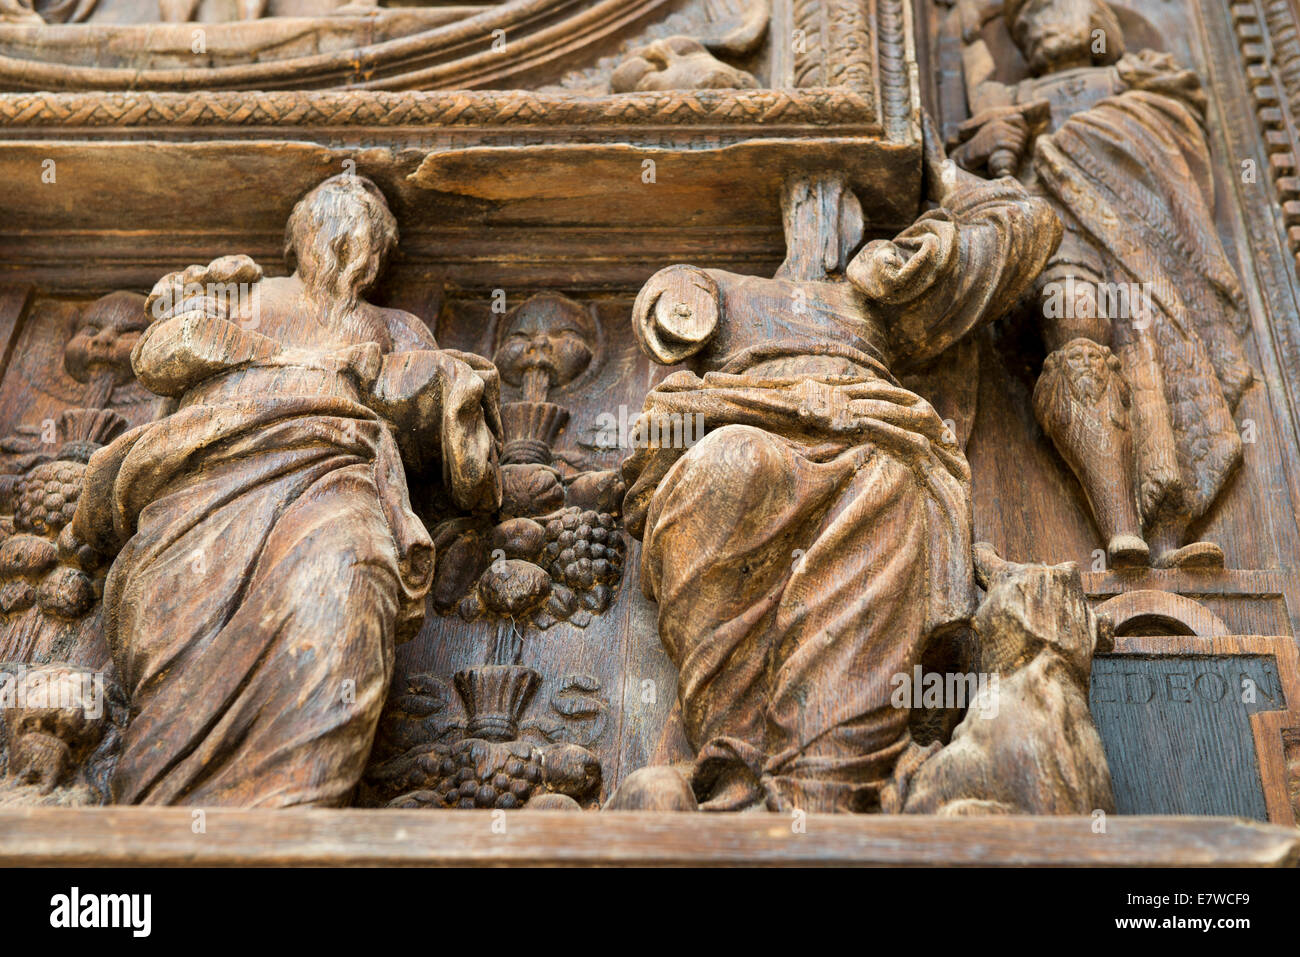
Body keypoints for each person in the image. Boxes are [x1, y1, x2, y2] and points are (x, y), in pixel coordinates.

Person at [614, 117, 1062, 813]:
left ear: (861, 223)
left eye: (840, 201)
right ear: (781, 213)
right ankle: (732, 756)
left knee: (890, 484)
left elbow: (1026, 226)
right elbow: (670, 338)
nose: (821, 213)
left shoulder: (880, 294)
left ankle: (824, 774)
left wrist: (941, 174)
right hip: (750, 429)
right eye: (804, 197)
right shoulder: (724, 289)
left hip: (871, 443)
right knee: (728, 462)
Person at [70, 174, 501, 807]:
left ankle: (298, 809)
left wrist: (413, 379)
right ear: (292, 240)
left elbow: (442, 410)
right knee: (184, 619)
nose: (347, 237)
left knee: (350, 572)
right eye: (327, 222)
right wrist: (251, 340)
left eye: (367, 230)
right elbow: (162, 353)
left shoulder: (397, 326)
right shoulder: (245, 296)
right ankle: (165, 810)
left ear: (380, 255)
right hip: (208, 489)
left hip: (335, 480)